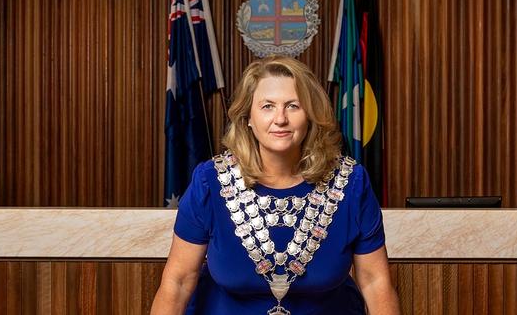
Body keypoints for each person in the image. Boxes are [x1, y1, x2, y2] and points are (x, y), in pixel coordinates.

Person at [151, 56, 400, 315]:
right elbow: (177, 283)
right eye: (267, 106)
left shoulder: (351, 183)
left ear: (311, 115)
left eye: (293, 106)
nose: (280, 119)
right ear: (248, 116)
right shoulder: (210, 181)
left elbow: (375, 282)